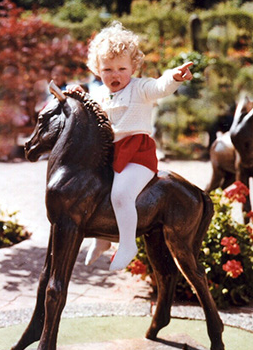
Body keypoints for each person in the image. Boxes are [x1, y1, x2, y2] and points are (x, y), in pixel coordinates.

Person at [72, 22, 193, 271]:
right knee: (96, 189)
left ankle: (127, 244)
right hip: (111, 154)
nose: (115, 75)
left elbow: (160, 86)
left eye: (121, 68)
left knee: (120, 194)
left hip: (138, 156)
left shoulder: (140, 88)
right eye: (107, 69)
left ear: (133, 68)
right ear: (97, 70)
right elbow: (86, 111)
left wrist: (174, 76)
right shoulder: (100, 94)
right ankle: (102, 239)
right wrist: (75, 95)